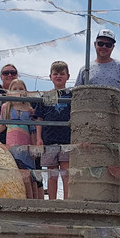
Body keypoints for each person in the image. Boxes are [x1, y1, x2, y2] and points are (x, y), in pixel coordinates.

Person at [75, 29, 120, 159]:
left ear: (113, 47)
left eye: (108, 44)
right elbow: (77, 97)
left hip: (115, 125)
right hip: (90, 126)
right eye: (101, 43)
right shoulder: (85, 69)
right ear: (95, 44)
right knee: (91, 161)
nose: (104, 47)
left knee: (114, 164)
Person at [0, 79, 39, 199]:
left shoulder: (29, 109)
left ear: (25, 92)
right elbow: (3, 125)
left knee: (28, 175)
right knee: (16, 172)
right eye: (15, 89)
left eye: (21, 89)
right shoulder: (6, 107)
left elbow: (32, 129)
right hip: (11, 143)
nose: (18, 91)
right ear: (9, 92)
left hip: (25, 143)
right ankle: (19, 198)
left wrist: (34, 146)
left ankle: (32, 200)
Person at [32, 61, 72, 200]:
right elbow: (39, 118)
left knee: (67, 172)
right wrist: (39, 138)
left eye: (62, 73)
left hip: (68, 139)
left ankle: (67, 200)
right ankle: (52, 200)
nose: (58, 76)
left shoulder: (71, 96)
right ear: (50, 77)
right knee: (51, 172)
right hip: (49, 139)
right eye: (55, 74)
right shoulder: (46, 96)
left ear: (67, 76)